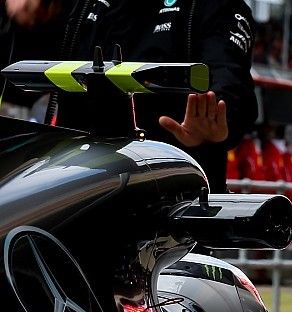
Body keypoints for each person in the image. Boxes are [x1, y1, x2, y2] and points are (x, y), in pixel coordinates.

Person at [2, 0, 258, 193]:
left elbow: (229, 78)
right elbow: (18, 86)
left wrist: (217, 121)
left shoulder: (211, 6)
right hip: (72, 196)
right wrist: (20, 21)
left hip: (173, 206)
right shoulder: (82, 6)